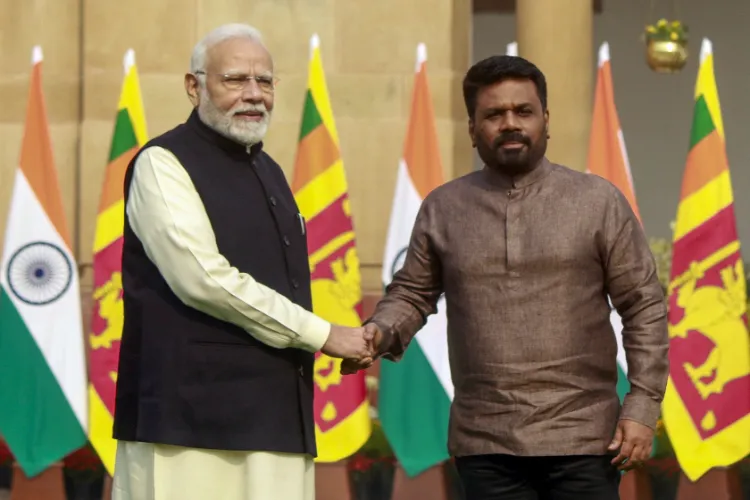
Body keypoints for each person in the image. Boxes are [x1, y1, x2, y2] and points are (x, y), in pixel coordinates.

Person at [343, 55, 669, 499]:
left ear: (546, 121)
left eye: (524, 111)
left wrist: (643, 405)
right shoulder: (444, 208)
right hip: (486, 441)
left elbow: (644, 305)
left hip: (585, 437)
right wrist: (378, 332)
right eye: (494, 115)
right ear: (473, 129)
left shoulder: (597, 202)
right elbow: (412, 293)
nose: (510, 123)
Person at [111, 23, 373, 500]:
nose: (254, 95)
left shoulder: (270, 171)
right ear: (194, 86)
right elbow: (202, 279)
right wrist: (324, 334)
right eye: (235, 80)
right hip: (186, 429)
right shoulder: (162, 163)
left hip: (276, 423)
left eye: (265, 81)